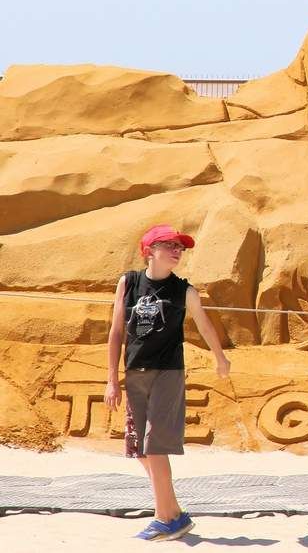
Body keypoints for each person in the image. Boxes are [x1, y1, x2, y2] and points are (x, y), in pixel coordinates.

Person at [103, 224, 232, 542]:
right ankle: (174, 513)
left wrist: (221, 359)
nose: (177, 251)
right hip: (135, 373)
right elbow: (117, 332)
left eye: (180, 247)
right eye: (169, 245)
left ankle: (164, 519)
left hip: (167, 374)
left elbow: (204, 325)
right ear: (149, 251)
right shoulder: (128, 282)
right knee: (140, 450)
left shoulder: (185, 291)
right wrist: (111, 380)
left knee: (155, 446)